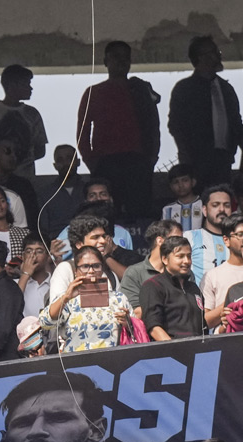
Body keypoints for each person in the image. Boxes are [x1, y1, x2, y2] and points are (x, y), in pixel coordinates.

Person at [75, 42, 161, 219]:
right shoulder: (94, 92)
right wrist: (91, 161)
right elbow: (83, 131)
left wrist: (151, 158)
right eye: (116, 57)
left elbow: (154, 126)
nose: (121, 61)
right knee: (106, 216)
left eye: (125, 57)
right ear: (106, 61)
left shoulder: (140, 89)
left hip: (137, 161)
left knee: (140, 214)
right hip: (105, 163)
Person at [168, 37, 243, 189]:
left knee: (221, 203)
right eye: (216, 52)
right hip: (196, 162)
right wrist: (186, 158)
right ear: (203, 57)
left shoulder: (226, 89)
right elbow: (176, 125)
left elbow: (236, 124)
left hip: (223, 161)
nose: (219, 56)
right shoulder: (185, 89)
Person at [39, 245, 133, 352]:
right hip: (77, 363)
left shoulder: (118, 299)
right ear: (76, 271)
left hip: (112, 361)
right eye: (85, 266)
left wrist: (128, 323)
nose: (91, 271)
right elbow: (45, 322)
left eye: (96, 266)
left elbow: (137, 330)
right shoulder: (69, 300)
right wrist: (65, 297)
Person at [0, 65, 47, 175]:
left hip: (25, 180)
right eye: (26, 84)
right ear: (12, 85)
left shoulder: (32, 114)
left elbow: (40, 150)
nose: (30, 88)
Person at [140, 235, 209, 341]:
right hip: (169, 353)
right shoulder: (153, 286)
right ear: (165, 259)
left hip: (198, 351)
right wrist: (174, 350)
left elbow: (203, 327)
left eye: (189, 256)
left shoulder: (193, 288)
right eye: (180, 256)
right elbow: (153, 327)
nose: (186, 261)